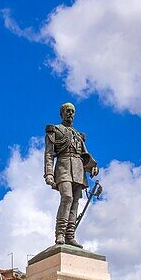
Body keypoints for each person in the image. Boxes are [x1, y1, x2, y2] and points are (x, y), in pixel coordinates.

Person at [44, 102, 98, 246]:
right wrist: (49, 173)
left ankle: (70, 235)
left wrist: (91, 168)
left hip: (79, 170)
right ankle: (60, 234)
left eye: (73, 111)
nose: (70, 114)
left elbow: (84, 156)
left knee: (75, 203)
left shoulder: (79, 135)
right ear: (62, 113)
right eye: (68, 111)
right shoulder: (55, 130)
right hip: (63, 168)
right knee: (67, 197)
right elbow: (49, 154)